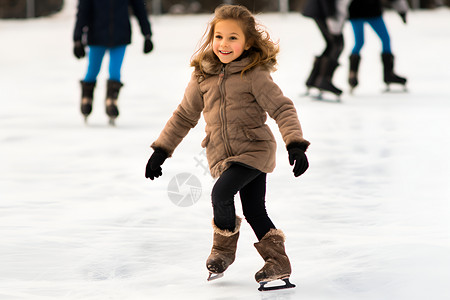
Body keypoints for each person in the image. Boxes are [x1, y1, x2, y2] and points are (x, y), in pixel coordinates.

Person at [144, 4, 310, 290]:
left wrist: (294, 144)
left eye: (233, 38)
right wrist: (161, 150)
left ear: (247, 42)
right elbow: (184, 115)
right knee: (255, 209)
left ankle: (222, 251)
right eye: (219, 37)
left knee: (221, 193)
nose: (224, 44)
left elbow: (282, 108)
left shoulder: (254, 74)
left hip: (255, 149)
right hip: (222, 154)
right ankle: (277, 262)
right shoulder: (202, 75)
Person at [73, 0, 153, 125]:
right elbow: (83, 11)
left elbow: (139, 9)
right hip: (96, 36)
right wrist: (77, 38)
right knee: (92, 70)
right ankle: (86, 99)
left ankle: (112, 102)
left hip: (120, 36)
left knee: (115, 71)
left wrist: (147, 34)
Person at [348, 0, 408, 92]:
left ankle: (388, 74)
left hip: (366, 11)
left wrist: (402, 11)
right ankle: (353, 75)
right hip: (363, 11)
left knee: (382, 40)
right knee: (363, 42)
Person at [302, 0, 353, 97]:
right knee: (337, 45)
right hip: (325, 12)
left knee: (331, 44)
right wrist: (331, 16)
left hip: (322, 10)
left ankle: (314, 79)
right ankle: (324, 80)